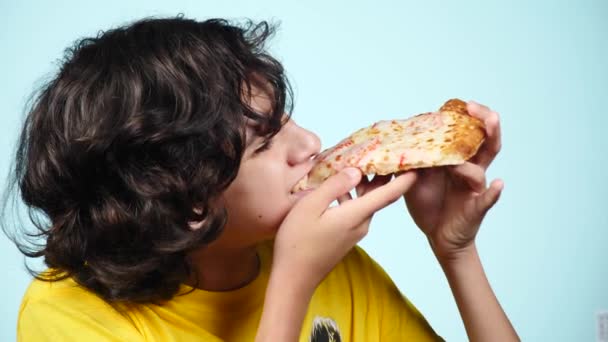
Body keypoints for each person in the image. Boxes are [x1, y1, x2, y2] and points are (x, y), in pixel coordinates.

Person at [3, 16, 519, 341]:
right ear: (188, 199)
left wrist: (455, 251)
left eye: (286, 119)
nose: (312, 143)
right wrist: (293, 284)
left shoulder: (335, 268)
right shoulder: (66, 317)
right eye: (267, 143)